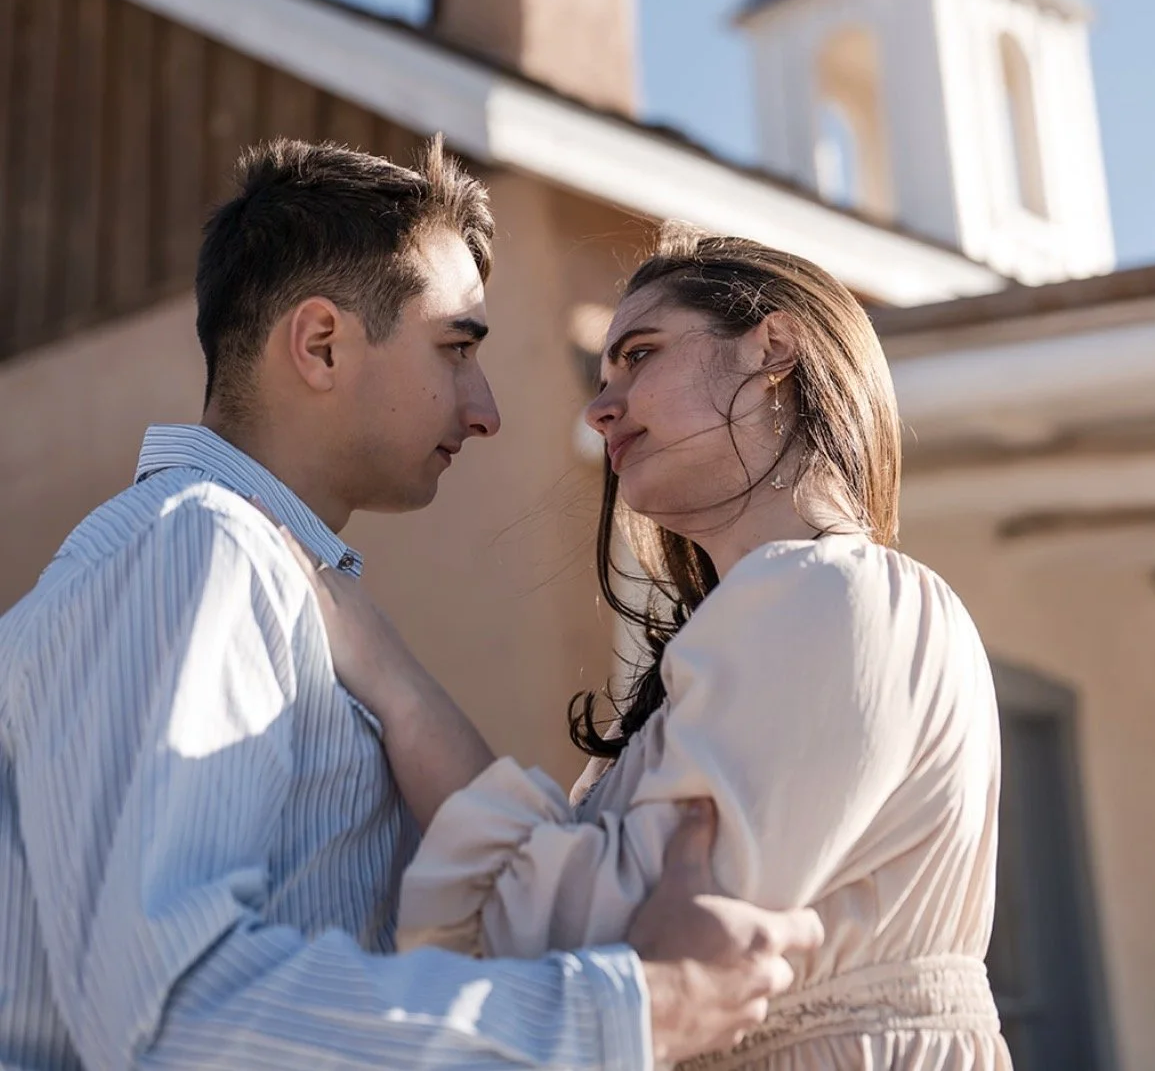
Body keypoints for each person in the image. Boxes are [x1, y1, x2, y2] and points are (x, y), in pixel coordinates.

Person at [0, 141, 822, 1071]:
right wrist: (638, 1011)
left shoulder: (244, 573)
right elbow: (172, 1013)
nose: (485, 411)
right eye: (456, 348)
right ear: (321, 345)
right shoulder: (196, 548)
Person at [295, 231, 1011, 1068]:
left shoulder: (836, 595)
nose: (600, 409)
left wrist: (388, 674)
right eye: (604, 378)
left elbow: (604, 952)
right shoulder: (761, 627)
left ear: (773, 349)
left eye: (640, 355)